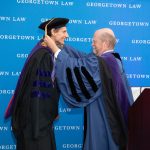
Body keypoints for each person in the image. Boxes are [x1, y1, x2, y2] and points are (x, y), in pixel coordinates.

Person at [44, 28, 134, 150]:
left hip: (105, 117)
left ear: (105, 43)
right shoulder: (113, 60)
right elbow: (82, 60)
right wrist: (61, 46)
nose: (92, 44)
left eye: (94, 41)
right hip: (112, 113)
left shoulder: (103, 62)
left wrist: (55, 50)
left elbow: (80, 68)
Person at [5, 17, 69, 150]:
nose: (67, 35)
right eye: (63, 31)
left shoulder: (41, 50)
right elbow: (41, 93)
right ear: (53, 32)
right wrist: (51, 113)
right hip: (36, 122)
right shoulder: (44, 56)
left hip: (33, 118)